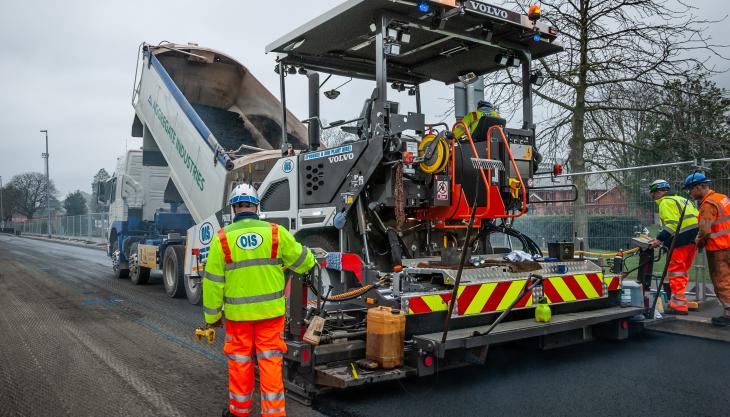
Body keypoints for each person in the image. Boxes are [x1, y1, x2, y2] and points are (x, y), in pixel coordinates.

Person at [203, 183, 316, 417]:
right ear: (257, 206)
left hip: (238, 318)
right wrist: (312, 255)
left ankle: (239, 412)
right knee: (270, 364)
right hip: (270, 316)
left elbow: (213, 283)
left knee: (240, 363)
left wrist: (212, 318)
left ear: (234, 209)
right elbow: (305, 262)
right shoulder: (275, 232)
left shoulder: (221, 239)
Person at [647, 180, 699, 314]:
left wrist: (658, 240)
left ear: (657, 192)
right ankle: (679, 300)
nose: (653, 197)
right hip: (693, 240)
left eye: (652, 194)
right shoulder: (681, 199)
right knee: (682, 272)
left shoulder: (665, 202)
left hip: (680, 241)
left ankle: (678, 306)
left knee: (676, 272)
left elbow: (671, 226)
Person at [685, 172, 730, 327]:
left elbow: (705, 231)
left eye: (690, 190)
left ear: (698, 187)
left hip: (719, 248)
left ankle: (728, 314)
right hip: (728, 244)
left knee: (721, 280)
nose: (690, 193)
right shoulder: (722, 198)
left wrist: (697, 242)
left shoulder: (707, 205)